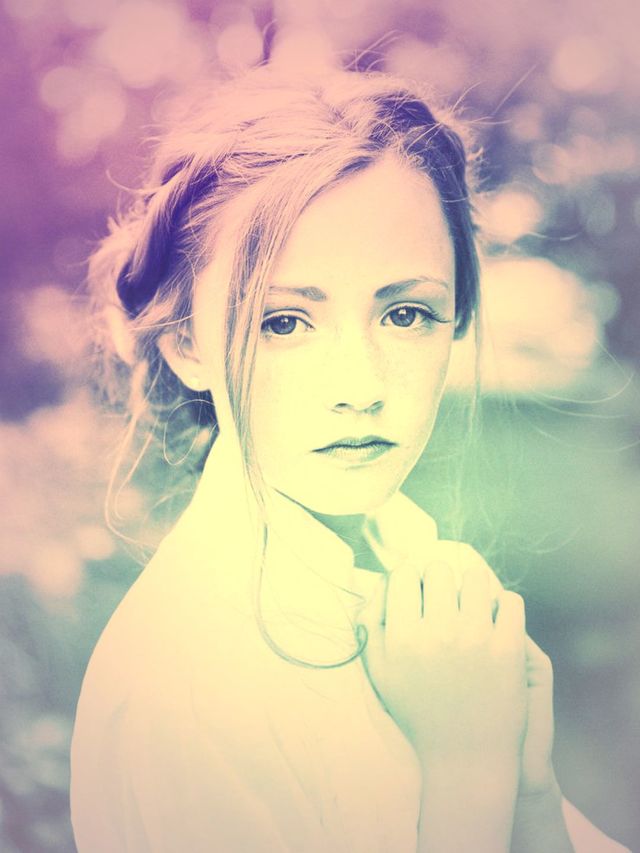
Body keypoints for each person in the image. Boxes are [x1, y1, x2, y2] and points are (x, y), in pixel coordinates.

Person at [70, 61, 630, 852]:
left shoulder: (409, 565)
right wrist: (468, 766)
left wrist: (528, 790)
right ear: (186, 343)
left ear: (457, 317)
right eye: (284, 322)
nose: (361, 387)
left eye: (406, 314)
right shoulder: (186, 692)